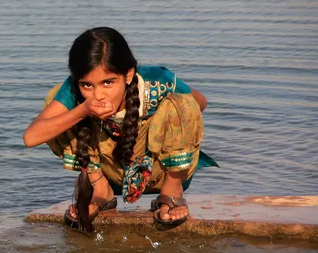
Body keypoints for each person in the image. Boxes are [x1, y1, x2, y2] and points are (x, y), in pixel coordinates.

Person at [23, 27, 218, 232]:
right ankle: (100, 190)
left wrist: (154, 122)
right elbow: (31, 137)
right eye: (87, 85)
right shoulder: (73, 91)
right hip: (109, 173)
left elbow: (199, 104)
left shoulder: (157, 80)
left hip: (159, 170)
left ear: (128, 75)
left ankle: (172, 191)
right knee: (57, 110)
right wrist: (82, 111)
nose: (99, 95)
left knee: (182, 103)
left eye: (108, 83)